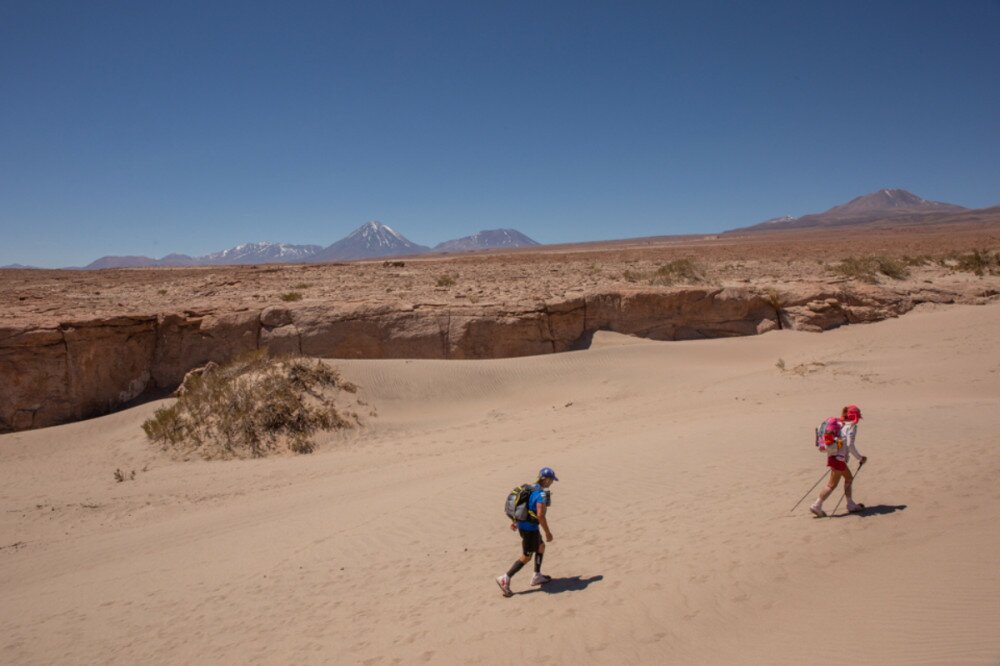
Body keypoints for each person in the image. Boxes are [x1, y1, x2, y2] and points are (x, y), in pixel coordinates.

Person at [496, 467, 558, 597]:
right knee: (526, 556)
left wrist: (515, 520)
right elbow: (540, 515)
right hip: (530, 529)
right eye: (551, 480)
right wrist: (548, 532)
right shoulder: (540, 493)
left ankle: (537, 575)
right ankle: (505, 578)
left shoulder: (531, 487)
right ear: (546, 479)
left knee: (540, 546)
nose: (552, 482)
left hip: (525, 526)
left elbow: (521, 505)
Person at [810, 405, 867, 517]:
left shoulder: (839, 423)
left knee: (847, 478)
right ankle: (817, 505)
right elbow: (850, 445)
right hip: (839, 459)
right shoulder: (852, 427)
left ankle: (850, 504)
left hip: (833, 456)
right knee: (832, 484)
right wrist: (860, 458)